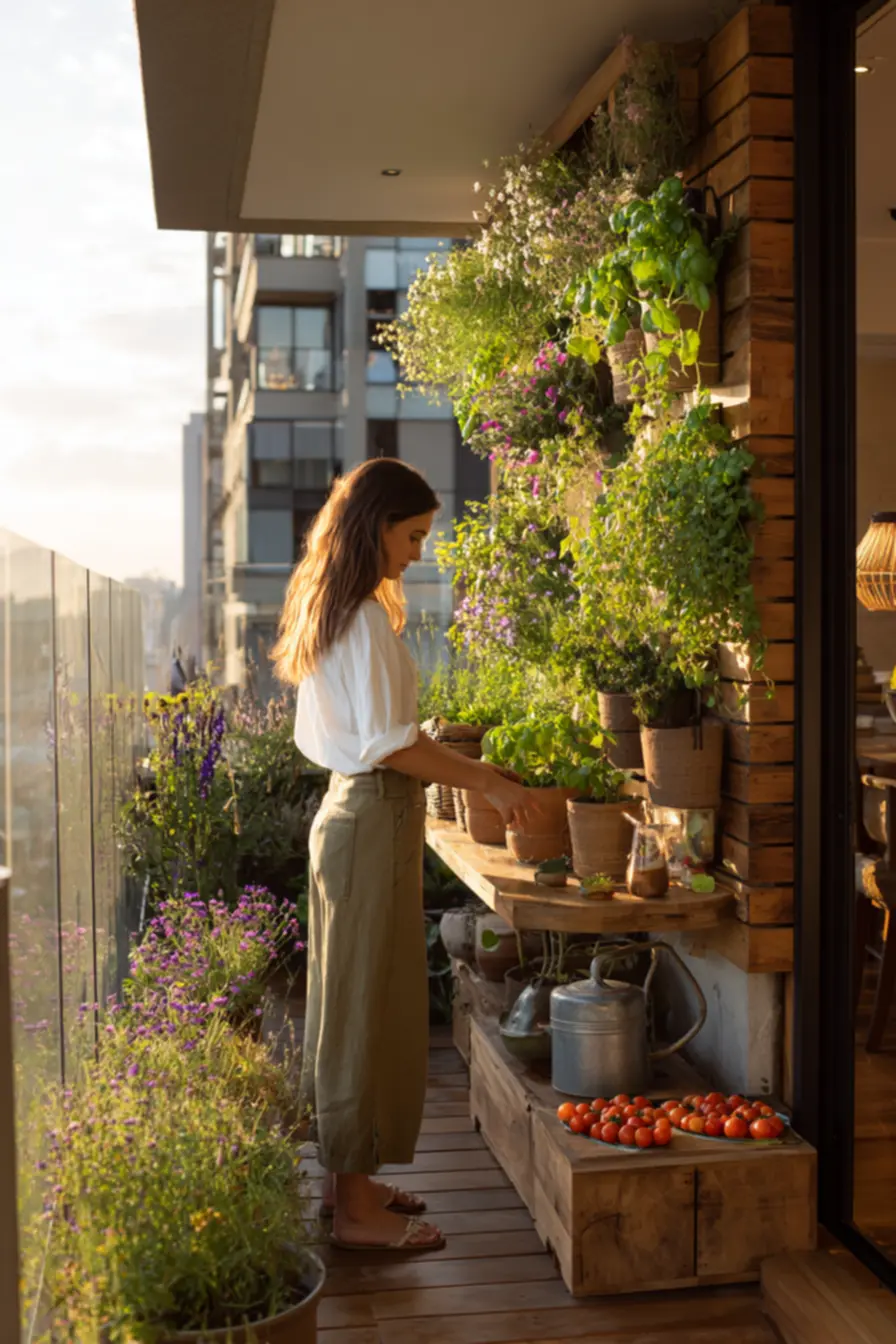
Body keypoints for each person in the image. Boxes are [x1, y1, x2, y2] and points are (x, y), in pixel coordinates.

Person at [271, 458, 539, 1254]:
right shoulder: (357, 620)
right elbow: (392, 746)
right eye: (413, 535)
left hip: (357, 818)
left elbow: (380, 737)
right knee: (363, 1015)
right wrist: (485, 779)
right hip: (370, 818)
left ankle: (350, 1187)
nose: (418, 552)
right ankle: (353, 1214)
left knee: (361, 1008)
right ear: (378, 525)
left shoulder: (342, 610)